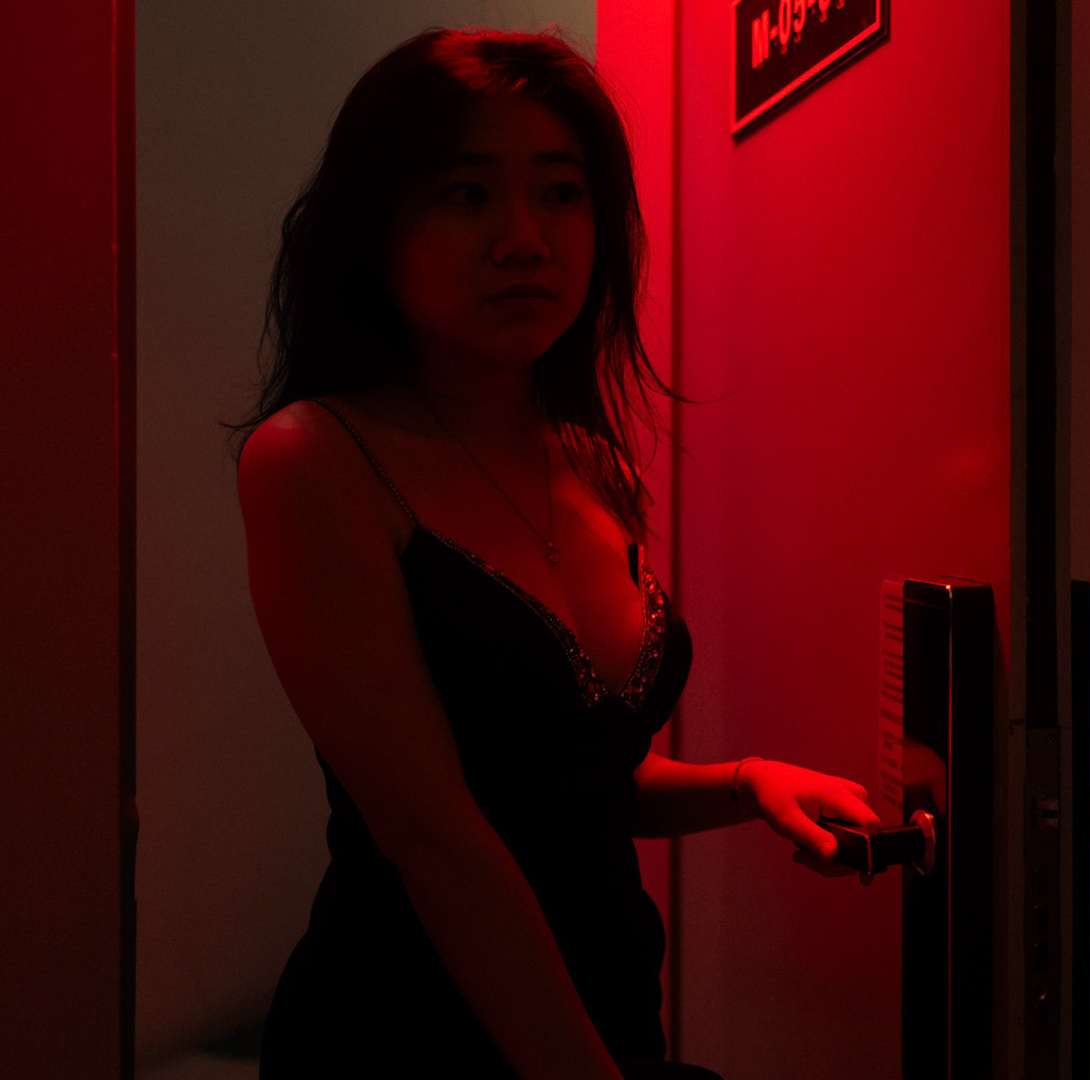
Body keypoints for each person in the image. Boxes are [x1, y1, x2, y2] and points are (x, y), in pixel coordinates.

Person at [232, 27, 882, 1079]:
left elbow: (573, 783)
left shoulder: (591, 461)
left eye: (561, 193)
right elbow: (436, 837)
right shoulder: (317, 458)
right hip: (404, 1034)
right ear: (376, 225)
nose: (525, 239)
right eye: (468, 194)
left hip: (609, 1019)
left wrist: (745, 783)